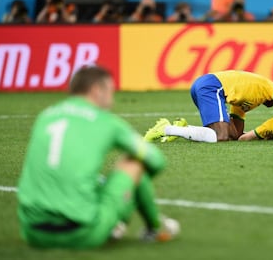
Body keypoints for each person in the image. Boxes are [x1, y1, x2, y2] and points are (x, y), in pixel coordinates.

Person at [17, 66, 179, 249]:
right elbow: (157, 161)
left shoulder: (45, 116)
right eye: (110, 90)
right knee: (133, 163)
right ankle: (153, 227)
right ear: (96, 90)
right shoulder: (106, 122)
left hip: (32, 233)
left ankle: (116, 223)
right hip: (82, 234)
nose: (112, 98)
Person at [144, 70, 273, 143]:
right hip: (212, 86)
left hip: (207, 86)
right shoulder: (269, 86)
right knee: (221, 136)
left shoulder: (249, 101)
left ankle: (182, 127)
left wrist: (261, 134)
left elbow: (236, 134)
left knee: (224, 134)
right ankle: (167, 129)